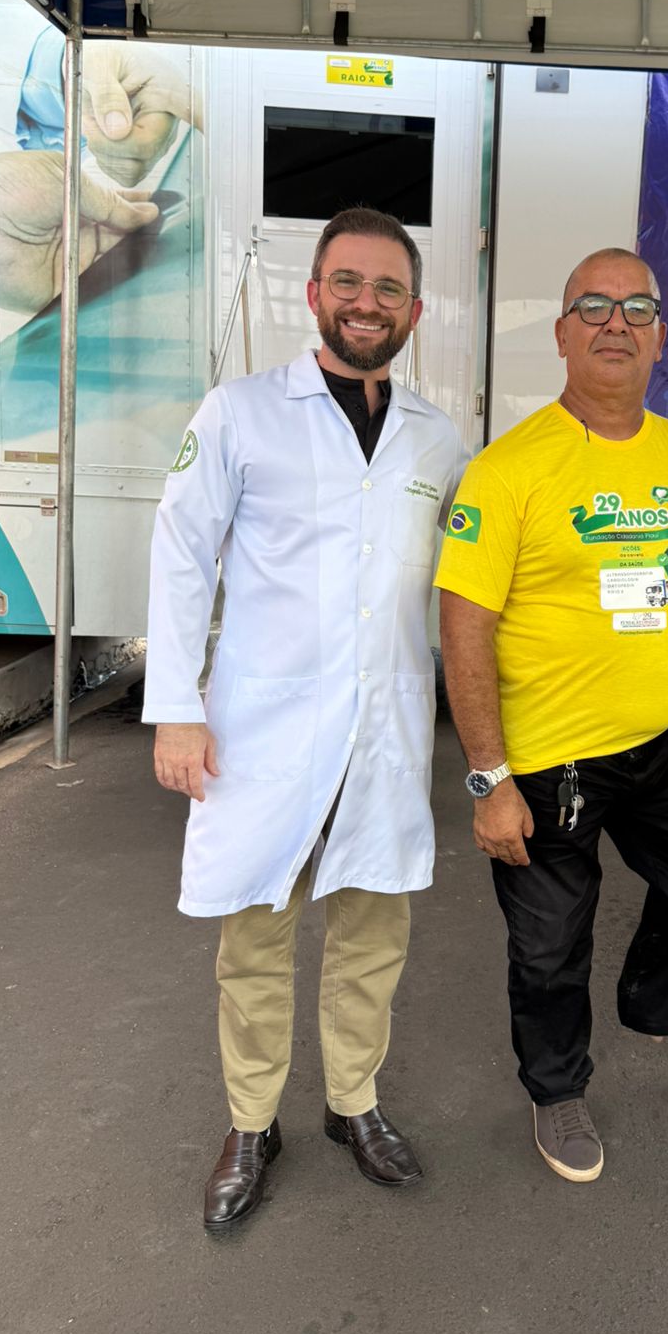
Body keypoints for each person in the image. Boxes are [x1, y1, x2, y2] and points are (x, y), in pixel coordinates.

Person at [143, 205, 468, 1230]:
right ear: (317, 293)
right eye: (349, 283)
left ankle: (352, 1103)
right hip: (263, 731)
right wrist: (175, 709)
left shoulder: (437, 437)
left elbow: (469, 580)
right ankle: (252, 1122)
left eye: (388, 288)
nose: (368, 303)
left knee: (373, 933)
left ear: (414, 310)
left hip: (384, 734)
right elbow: (182, 554)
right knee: (257, 936)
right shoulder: (241, 413)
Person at [436, 248, 668, 1184]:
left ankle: (651, 1004)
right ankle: (558, 1090)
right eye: (595, 307)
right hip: (547, 764)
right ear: (563, 334)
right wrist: (489, 781)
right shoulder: (507, 469)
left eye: (637, 307)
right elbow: (463, 629)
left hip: (659, 745)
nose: (617, 322)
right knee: (549, 948)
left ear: (661, 337)